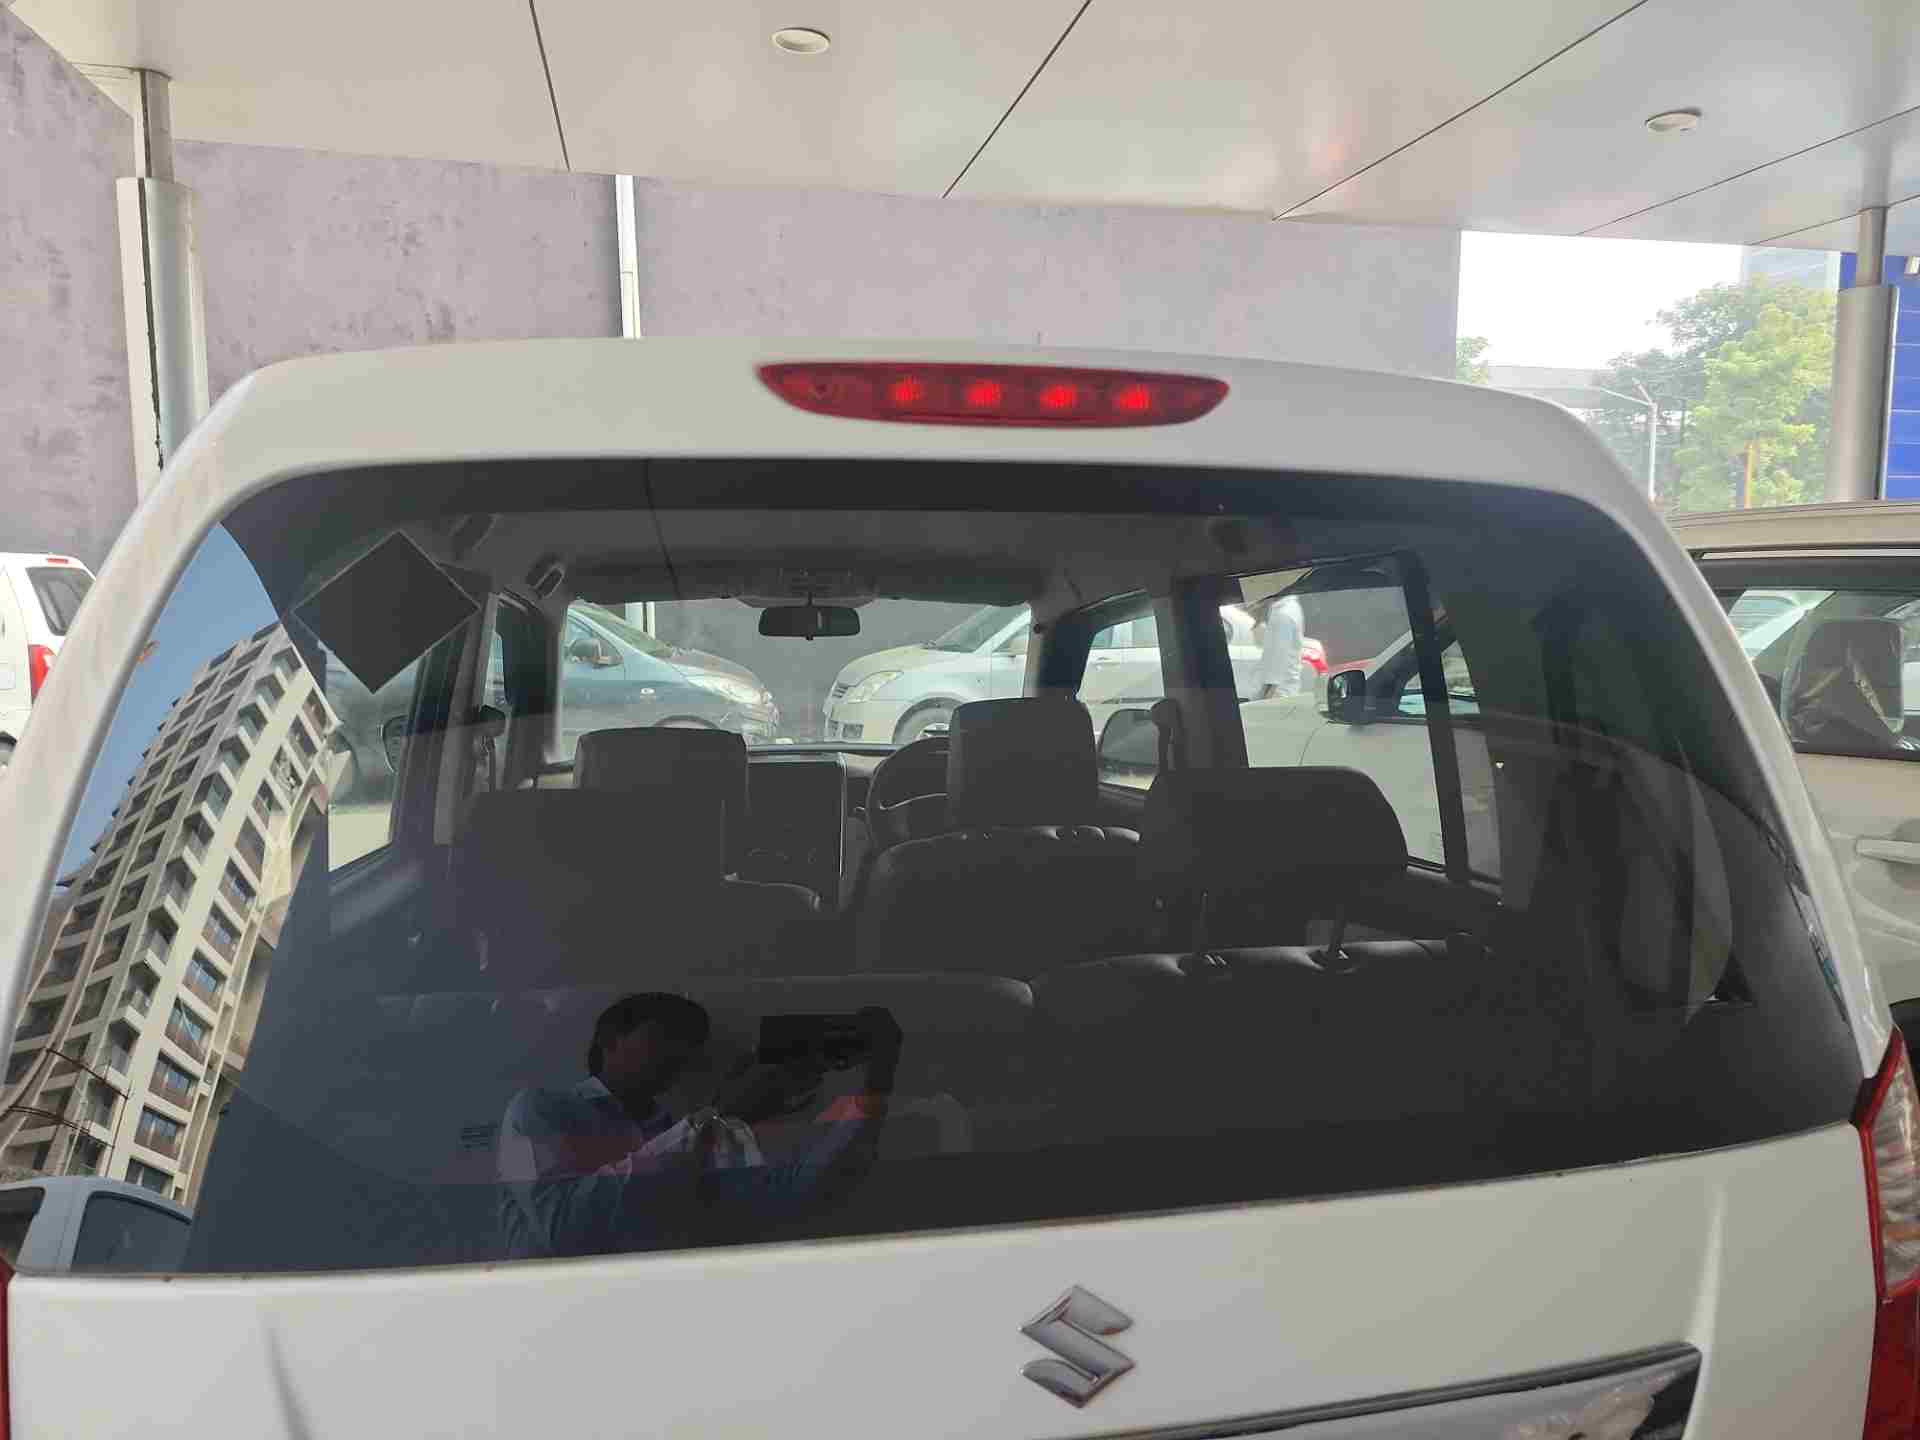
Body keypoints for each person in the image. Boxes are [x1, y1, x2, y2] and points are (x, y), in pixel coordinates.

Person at [497, 993, 898, 1259]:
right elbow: (565, 1225)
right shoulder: (540, 1109)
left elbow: (797, 1192)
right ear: (610, 1040)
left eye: (690, 1044)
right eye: (663, 1035)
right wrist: (716, 1117)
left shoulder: (681, 1133)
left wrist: (876, 1081)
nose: (678, 1052)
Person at [1257, 594, 1306, 699]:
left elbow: (1277, 661)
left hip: (1278, 691)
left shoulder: (1282, 614)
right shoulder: (1292, 607)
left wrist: (1266, 695)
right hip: (1286, 687)